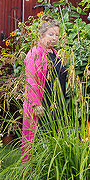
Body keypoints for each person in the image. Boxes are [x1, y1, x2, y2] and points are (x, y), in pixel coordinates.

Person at [22, 17, 67, 159]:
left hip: (54, 104)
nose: (54, 38)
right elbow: (31, 80)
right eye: (50, 34)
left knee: (51, 135)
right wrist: (36, 104)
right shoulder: (35, 53)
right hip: (41, 103)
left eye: (57, 35)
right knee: (37, 137)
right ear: (41, 35)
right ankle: (31, 169)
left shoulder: (54, 54)